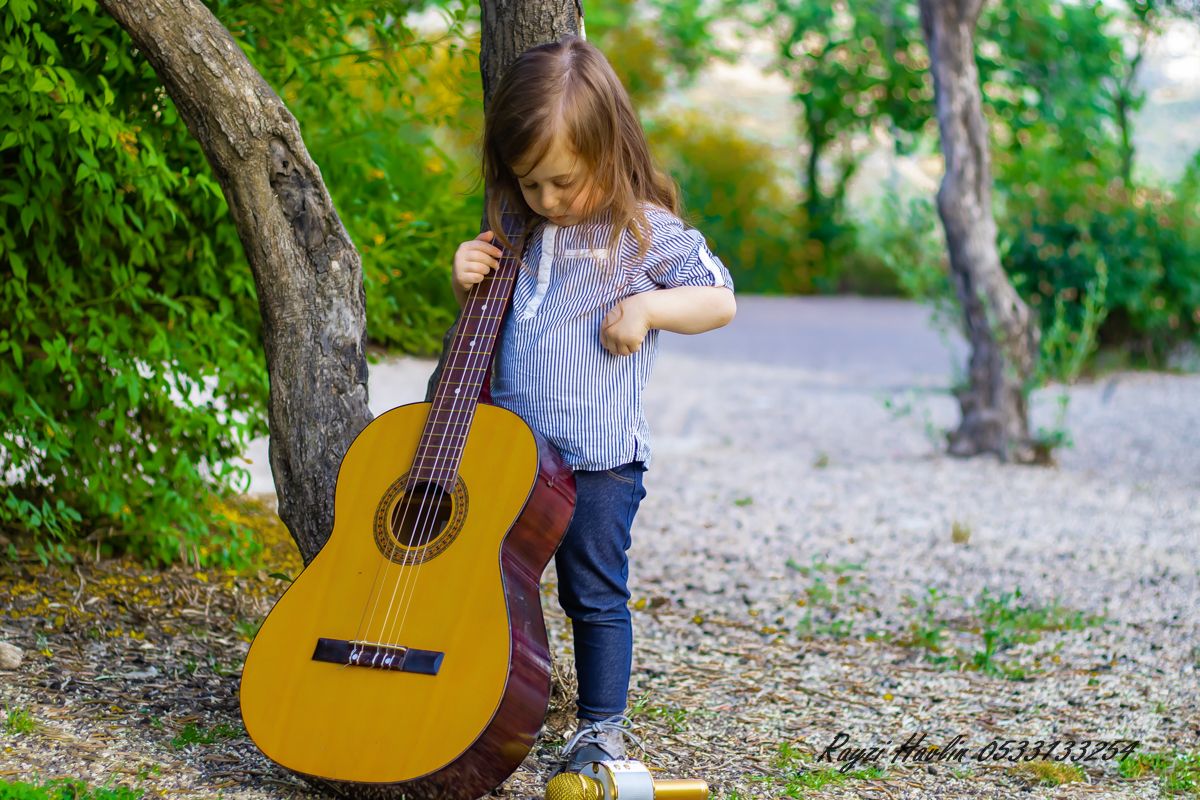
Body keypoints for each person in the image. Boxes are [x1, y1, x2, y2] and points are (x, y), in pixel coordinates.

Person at [450, 35, 736, 775]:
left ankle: (601, 728)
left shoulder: (642, 230)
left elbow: (719, 300)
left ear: (608, 149)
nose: (546, 199)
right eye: (530, 183)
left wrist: (647, 307)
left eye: (561, 182)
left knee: (593, 590)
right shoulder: (523, 232)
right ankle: (486, 694)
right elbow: (494, 329)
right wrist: (466, 275)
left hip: (597, 464)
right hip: (511, 459)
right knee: (489, 582)